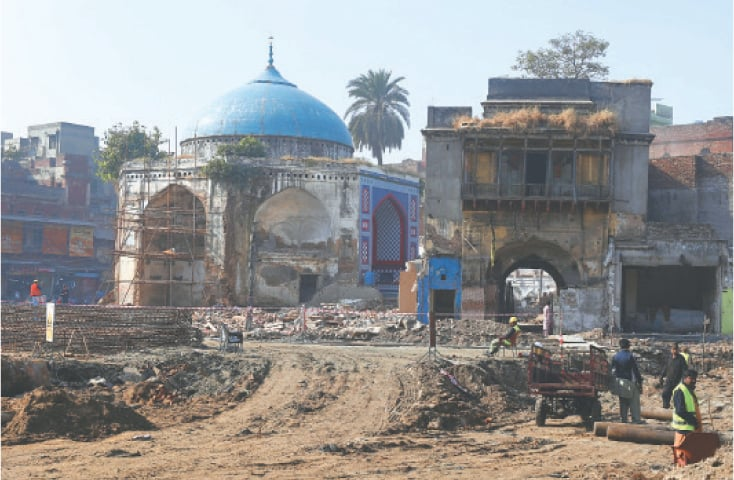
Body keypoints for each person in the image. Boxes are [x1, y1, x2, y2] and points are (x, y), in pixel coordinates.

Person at [611, 338, 644, 423]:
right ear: (628, 346)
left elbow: (612, 370)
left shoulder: (615, 356)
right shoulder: (630, 356)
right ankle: (636, 419)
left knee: (623, 401)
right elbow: (635, 371)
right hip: (628, 381)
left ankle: (624, 419)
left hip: (619, 381)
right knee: (634, 401)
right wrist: (640, 382)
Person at [671, 370, 703, 451]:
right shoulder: (680, 390)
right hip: (683, 428)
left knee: (689, 451)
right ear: (685, 378)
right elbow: (680, 411)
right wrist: (693, 421)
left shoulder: (689, 390)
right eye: (691, 378)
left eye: (695, 379)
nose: (694, 381)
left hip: (689, 427)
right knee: (681, 451)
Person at [659, 342, 688, 409]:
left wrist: (684, 380)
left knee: (677, 396)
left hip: (677, 381)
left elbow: (685, 370)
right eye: (673, 349)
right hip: (669, 380)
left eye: (676, 349)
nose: (674, 350)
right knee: (665, 394)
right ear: (671, 350)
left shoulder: (681, 359)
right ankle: (665, 407)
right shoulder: (669, 358)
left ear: (678, 350)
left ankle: (677, 410)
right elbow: (665, 367)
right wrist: (661, 376)